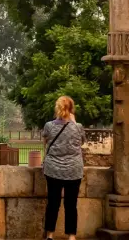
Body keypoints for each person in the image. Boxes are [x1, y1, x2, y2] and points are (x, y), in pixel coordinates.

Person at [41, 96, 86, 240]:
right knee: (71, 205)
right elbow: (83, 141)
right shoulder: (78, 127)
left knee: (53, 203)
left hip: (53, 169)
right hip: (73, 170)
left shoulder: (49, 126)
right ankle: (71, 236)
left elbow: (45, 141)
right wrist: (73, 121)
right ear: (72, 109)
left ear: (57, 108)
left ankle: (50, 234)